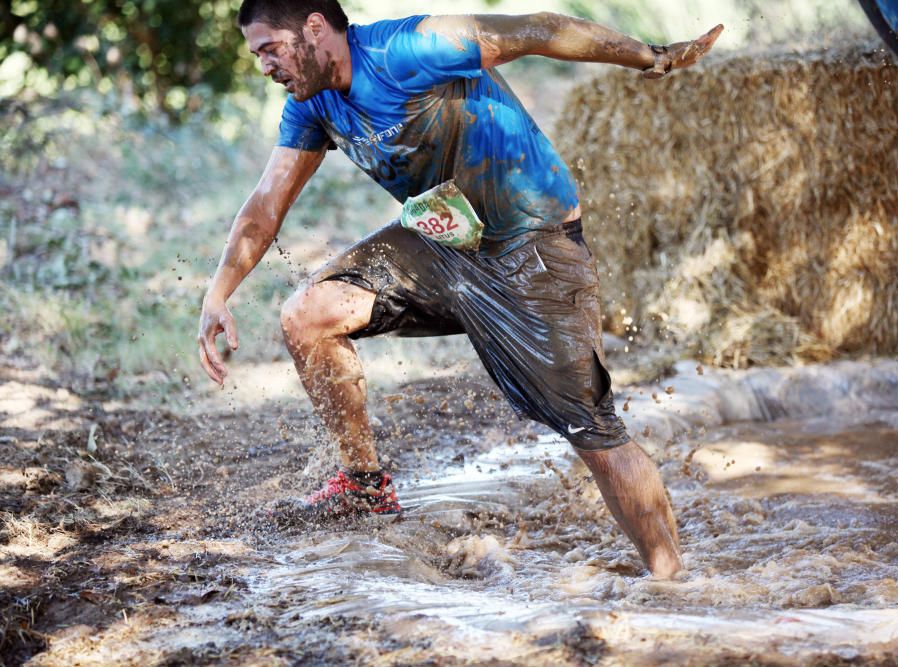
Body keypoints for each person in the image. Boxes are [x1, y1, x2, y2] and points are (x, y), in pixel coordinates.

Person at [197, 0, 722, 579]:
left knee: (591, 431)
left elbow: (542, 29)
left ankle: (670, 581)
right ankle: (365, 485)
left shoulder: (408, 49)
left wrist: (653, 56)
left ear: (315, 28)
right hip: (443, 244)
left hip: (530, 246)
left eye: (271, 49)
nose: (265, 66)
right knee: (308, 314)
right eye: (257, 55)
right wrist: (218, 293)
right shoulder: (313, 104)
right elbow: (267, 203)